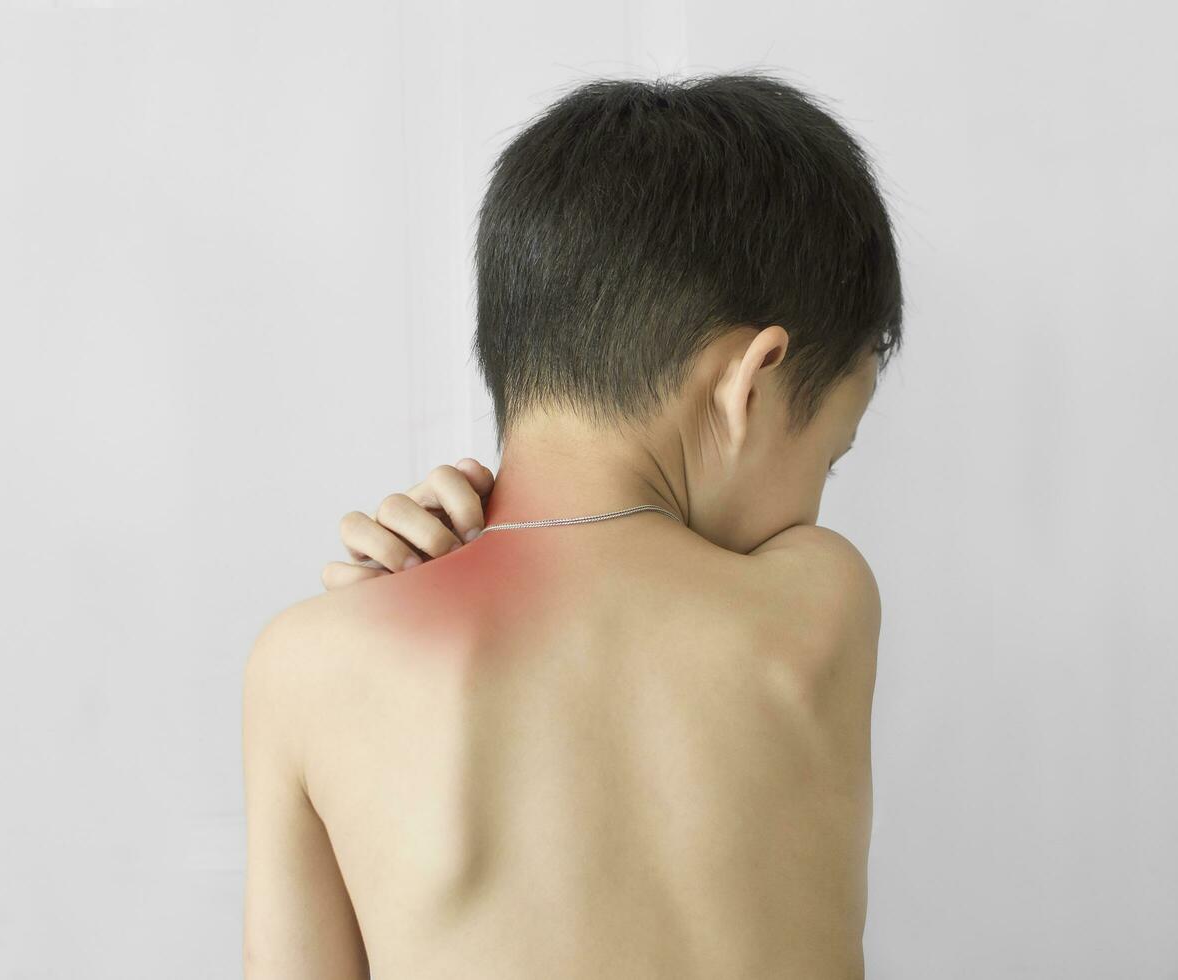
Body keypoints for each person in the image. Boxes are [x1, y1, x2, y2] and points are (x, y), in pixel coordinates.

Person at [244, 70, 903, 979]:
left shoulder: (308, 666)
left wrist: (423, 582)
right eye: (830, 457)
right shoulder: (822, 597)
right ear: (752, 383)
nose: (818, 500)